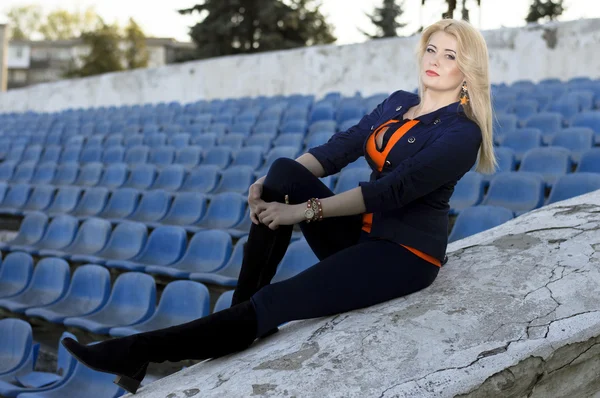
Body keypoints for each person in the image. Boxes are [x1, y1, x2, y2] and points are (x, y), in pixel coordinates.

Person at [62, 18, 496, 395]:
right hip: (362, 234)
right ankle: (239, 310)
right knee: (284, 170)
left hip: (403, 255)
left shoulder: (462, 132)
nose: (434, 60)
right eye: (431, 49)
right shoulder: (400, 102)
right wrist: (267, 185)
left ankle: (137, 353)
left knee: (277, 301)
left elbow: (393, 192)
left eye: (450, 55)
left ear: (467, 70)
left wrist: (302, 211)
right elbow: (341, 146)